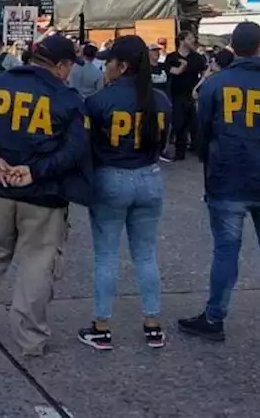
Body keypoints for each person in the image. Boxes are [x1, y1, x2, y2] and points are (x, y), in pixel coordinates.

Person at [0, 34, 90, 357]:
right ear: (61, 65)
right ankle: (30, 338)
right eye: (69, 66)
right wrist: (36, 171)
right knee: (38, 262)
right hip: (43, 193)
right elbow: (76, 149)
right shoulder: (66, 98)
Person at [180, 22, 260, 342]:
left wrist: (209, 162)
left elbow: (201, 132)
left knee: (226, 251)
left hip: (227, 177)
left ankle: (215, 317)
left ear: (233, 46)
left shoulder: (217, 85)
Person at [79, 36, 171, 350]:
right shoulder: (160, 100)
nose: (105, 67)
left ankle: (102, 326)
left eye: (109, 62)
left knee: (106, 256)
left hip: (111, 177)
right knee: (146, 255)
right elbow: (163, 143)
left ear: (123, 65)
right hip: (150, 176)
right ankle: (152, 324)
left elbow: (87, 146)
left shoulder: (98, 101)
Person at [164, 31, 205, 160]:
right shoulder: (172, 57)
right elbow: (173, 72)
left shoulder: (198, 58)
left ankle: (198, 150)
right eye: (190, 38)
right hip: (177, 95)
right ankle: (179, 152)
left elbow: (205, 74)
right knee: (179, 124)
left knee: (195, 124)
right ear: (182, 41)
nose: (193, 41)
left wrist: (198, 88)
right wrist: (183, 66)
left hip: (193, 95)